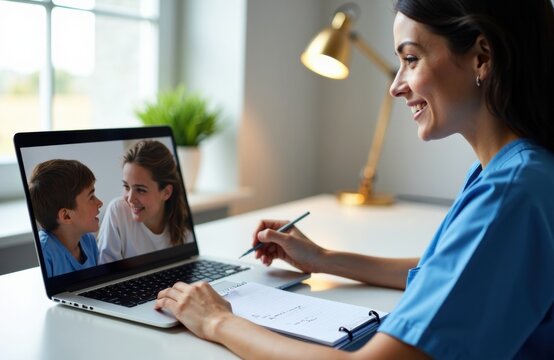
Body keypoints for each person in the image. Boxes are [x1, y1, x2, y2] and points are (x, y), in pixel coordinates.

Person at [154, 0, 554, 358]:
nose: (396, 85)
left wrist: (217, 322)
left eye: (411, 59)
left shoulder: (511, 192)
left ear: (481, 57)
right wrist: (325, 259)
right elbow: (451, 272)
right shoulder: (513, 170)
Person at [97, 140, 193, 263]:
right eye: (126, 187)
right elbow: (107, 274)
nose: (130, 199)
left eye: (141, 190)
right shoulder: (118, 211)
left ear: (166, 192)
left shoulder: (183, 227)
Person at [29, 159, 103, 277]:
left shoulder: (89, 241)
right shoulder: (45, 252)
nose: (100, 203)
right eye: (91, 197)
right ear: (66, 216)